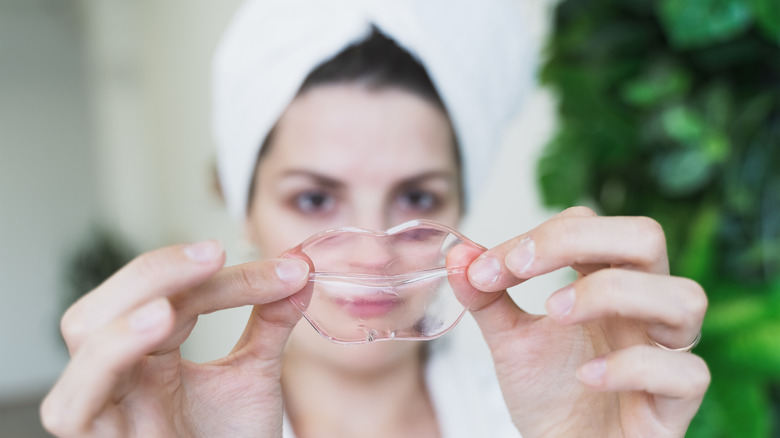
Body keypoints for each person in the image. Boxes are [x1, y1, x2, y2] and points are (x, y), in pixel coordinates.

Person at [40, 1, 710, 437]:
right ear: (239, 199)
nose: (371, 257)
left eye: (417, 199)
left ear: (460, 203)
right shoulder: (170, 426)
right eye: (314, 199)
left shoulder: (565, 413)